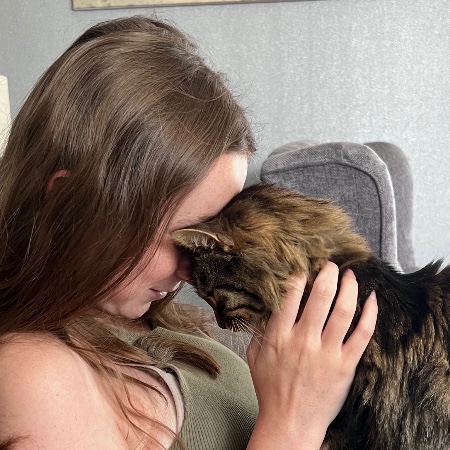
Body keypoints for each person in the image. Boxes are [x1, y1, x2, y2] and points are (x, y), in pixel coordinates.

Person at [0, 16, 378, 450]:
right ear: (71, 203)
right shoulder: (34, 375)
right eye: (182, 235)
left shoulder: (149, 319)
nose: (189, 271)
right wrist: (293, 423)